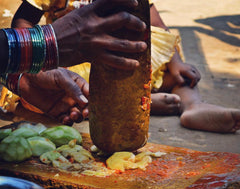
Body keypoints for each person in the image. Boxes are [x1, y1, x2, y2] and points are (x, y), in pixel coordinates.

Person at [3, 0, 240, 133]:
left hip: (124, 55)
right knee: (73, 87)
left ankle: (193, 105)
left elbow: (152, 21)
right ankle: (139, 104)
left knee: (171, 71)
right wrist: (37, 57)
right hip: (75, 57)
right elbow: (23, 21)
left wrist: (175, 62)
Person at [0, 0, 147, 124]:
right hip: (64, 59)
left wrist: (21, 79)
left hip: (88, 56)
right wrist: (46, 44)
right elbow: (23, 20)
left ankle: (136, 101)